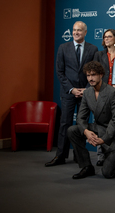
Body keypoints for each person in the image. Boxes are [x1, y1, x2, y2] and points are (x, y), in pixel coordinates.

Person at [45, 21, 98, 167]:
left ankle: (79, 155)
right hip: (68, 93)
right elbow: (60, 72)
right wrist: (72, 89)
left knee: (81, 125)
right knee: (65, 124)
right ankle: (60, 156)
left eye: (79, 30)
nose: (76, 32)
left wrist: (86, 89)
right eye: (74, 30)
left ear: (85, 32)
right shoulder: (63, 48)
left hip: (85, 93)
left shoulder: (92, 49)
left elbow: (95, 72)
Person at [67, 61, 115, 179]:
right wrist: (86, 132)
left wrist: (104, 139)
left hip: (111, 134)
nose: (90, 78)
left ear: (101, 75)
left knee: (107, 173)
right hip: (97, 127)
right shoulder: (87, 93)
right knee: (73, 130)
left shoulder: (112, 93)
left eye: (93, 75)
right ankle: (86, 166)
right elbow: (81, 117)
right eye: (88, 75)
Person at [93, 29, 115, 167]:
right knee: (100, 124)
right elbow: (94, 73)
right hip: (102, 91)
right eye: (105, 37)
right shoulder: (99, 54)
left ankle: (113, 153)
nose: (107, 39)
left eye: (109, 36)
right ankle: (100, 155)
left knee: (113, 123)